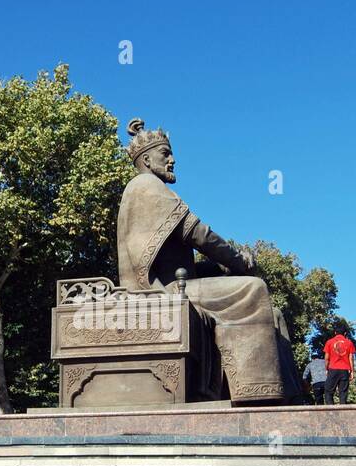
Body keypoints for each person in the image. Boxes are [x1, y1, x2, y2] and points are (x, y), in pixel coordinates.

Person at [116, 118, 301, 403]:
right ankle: (257, 395)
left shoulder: (145, 187)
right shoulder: (146, 185)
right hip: (157, 293)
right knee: (253, 289)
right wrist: (238, 259)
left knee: (273, 314)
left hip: (175, 286)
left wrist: (219, 267)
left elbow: (184, 267)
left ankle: (288, 399)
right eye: (166, 154)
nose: (173, 160)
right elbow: (200, 235)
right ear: (147, 159)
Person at [323, 324, 356, 405]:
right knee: (343, 392)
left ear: (335, 332)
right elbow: (351, 358)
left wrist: (327, 369)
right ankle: (343, 411)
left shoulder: (329, 342)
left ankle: (330, 410)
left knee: (328, 391)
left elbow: (326, 358)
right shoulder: (349, 343)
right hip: (345, 370)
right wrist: (352, 371)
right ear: (345, 333)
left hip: (333, 368)